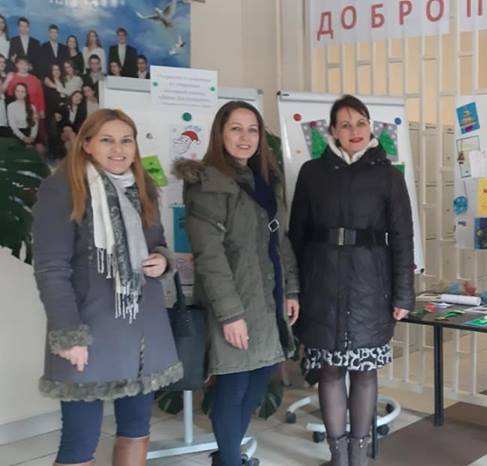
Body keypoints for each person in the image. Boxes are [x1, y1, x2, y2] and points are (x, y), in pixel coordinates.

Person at [31, 108, 182, 466]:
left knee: (136, 426)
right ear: (86, 144)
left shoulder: (143, 186)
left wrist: (162, 260)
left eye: (126, 140)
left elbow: (158, 242)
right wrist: (69, 334)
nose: (119, 149)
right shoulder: (62, 188)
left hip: (143, 330)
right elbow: (51, 269)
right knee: (80, 439)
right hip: (90, 329)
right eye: (107, 140)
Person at [289, 94, 415, 466]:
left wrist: (403, 293)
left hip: (370, 286)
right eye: (345, 125)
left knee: (364, 370)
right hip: (321, 285)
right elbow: (296, 236)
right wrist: (294, 289)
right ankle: (338, 454)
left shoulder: (388, 175)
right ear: (332, 131)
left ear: (370, 127)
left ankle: (359, 453)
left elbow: (403, 238)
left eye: (360, 123)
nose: (354, 131)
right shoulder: (312, 173)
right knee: (329, 371)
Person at [175, 101, 300, 466]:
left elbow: (281, 241)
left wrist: (291, 289)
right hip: (232, 302)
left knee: (260, 374)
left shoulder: (263, 182)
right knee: (233, 382)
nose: (245, 137)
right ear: (220, 133)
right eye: (236, 128)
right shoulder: (207, 185)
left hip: (267, 297)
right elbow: (210, 257)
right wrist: (230, 315)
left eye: (252, 130)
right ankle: (230, 460)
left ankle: (227, 458)